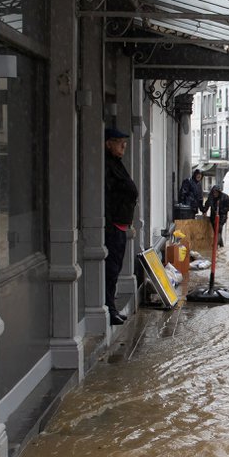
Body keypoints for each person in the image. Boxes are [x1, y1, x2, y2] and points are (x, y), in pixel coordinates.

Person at [104, 127, 139, 326]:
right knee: (111, 269)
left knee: (115, 269)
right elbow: (106, 197)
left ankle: (111, 307)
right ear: (108, 143)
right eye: (119, 142)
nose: (124, 145)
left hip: (120, 225)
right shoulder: (107, 165)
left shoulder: (116, 163)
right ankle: (109, 309)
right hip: (113, 226)